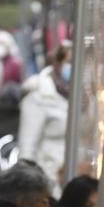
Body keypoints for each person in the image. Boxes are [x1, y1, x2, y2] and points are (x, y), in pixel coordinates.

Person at [18, 43, 71, 183]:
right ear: (58, 64)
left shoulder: (87, 98)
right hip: (48, 177)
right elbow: (27, 146)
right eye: (70, 62)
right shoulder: (38, 98)